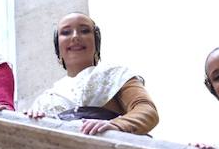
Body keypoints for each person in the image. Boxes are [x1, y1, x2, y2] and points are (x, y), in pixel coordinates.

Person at [25, 12, 157, 136]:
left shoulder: (118, 76)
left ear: (96, 42)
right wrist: (34, 121)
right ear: (57, 46)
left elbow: (146, 110)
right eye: (66, 32)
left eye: (84, 31)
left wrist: (116, 125)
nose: (75, 36)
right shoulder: (45, 99)